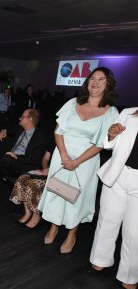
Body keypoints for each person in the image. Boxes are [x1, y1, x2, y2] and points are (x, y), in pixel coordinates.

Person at [38, 67, 118, 253]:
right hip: (62, 155)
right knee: (57, 191)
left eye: (101, 79)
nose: (95, 82)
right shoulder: (73, 103)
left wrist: (77, 161)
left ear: (108, 84)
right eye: (92, 78)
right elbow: (58, 131)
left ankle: (72, 234)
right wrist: (65, 156)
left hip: (86, 161)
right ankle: (54, 226)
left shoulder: (111, 112)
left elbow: (101, 144)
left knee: (76, 197)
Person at [89, 107, 138, 289]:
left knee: (134, 233)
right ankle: (100, 261)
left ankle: (130, 276)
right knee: (107, 221)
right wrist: (111, 135)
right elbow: (109, 145)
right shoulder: (129, 112)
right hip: (118, 174)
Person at [0, 109, 47, 212]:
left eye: (23, 116)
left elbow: (35, 160)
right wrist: (4, 130)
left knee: (5, 159)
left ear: (30, 119)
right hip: (9, 162)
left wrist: (16, 157)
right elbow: (7, 125)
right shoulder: (20, 129)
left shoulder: (40, 138)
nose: (20, 118)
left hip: (24, 165)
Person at [10, 136, 55, 228]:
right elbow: (45, 159)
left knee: (32, 185)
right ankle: (27, 213)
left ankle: (36, 215)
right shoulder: (53, 142)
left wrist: (49, 172)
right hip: (46, 171)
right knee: (23, 178)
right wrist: (45, 169)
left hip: (58, 175)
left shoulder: (70, 145)